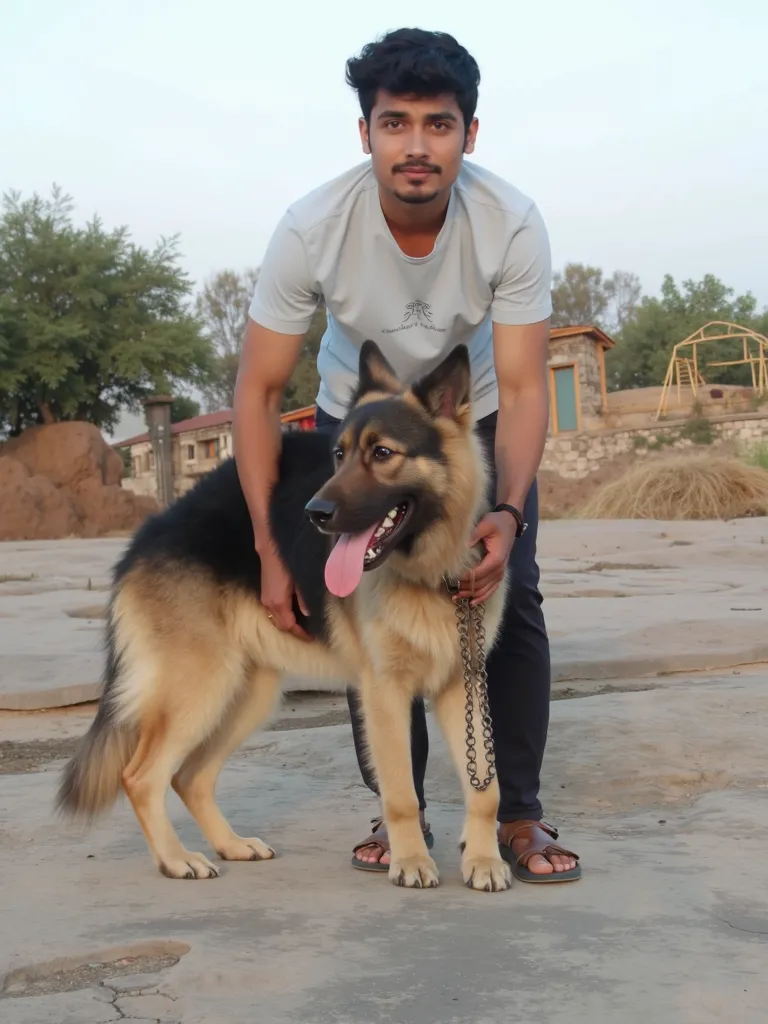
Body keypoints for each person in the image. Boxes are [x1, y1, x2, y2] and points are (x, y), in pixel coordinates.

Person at [233, 27, 580, 883]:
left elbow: (529, 388)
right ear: (365, 135)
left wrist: (507, 511)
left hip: (474, 416)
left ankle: (518, 816)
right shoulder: (312, 227)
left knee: (513, 592)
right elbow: (257, 393)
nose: (416, 146)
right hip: (360, 420)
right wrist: (271, 550)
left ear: (470, 133)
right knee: (364, 595)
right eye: (395, 124)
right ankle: (402, 817)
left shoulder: (511, 223)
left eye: (438, 123)